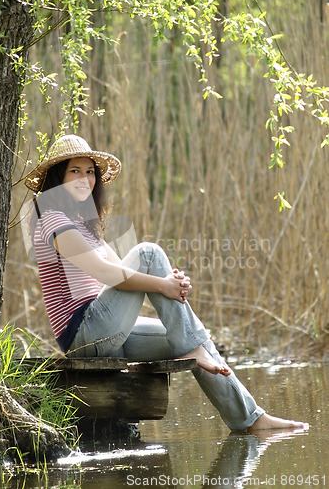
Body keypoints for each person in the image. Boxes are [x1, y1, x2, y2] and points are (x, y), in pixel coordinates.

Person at [24, 134, 307, 433]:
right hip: (84, 333)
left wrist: (166, 283)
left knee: (195, 338)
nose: (85, 179)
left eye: (90, 171)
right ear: (58, 178)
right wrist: (163, 285)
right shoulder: (52, 218)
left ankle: (250, 420)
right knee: (148, 253)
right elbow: (108, 275)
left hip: (105, 328)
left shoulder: (82, 224)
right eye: (75, 171)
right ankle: (195, 351)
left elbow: (123, 275)